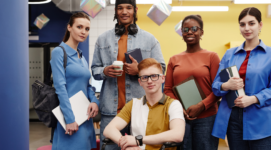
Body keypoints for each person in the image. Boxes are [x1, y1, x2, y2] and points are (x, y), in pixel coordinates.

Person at [91, 0, 165, 149]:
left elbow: (161, 69)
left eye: (128, 8)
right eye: (120, 8)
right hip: (110, 112)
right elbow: (95, 70)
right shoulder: (102, 39)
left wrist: (140, 71)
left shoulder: (149, 39)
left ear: (135, 10)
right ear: (116, 11)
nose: (124, 11)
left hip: (139, 109)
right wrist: (104, 71)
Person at [211, 7, 271, 150]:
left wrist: (253, 99)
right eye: (242, 24)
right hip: (233, 120)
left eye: (251, 23)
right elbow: (216, 85)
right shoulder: (229, 54)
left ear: (260, 25)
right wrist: (227, 85)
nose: (247, 28)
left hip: (261, 120)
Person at [164, 15, 220, 150]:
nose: (189, 32)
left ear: (201, 32)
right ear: (182, 33)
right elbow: (167, 89)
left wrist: (201, 106)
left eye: (194, 28)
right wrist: (180, 110)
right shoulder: (173, 59)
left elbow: (218, 90)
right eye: (185, 29)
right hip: (181, 118)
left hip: (207, 118)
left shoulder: (212, 57)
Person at [103, 58, 185, 150]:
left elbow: (178, 134)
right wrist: (128, 145)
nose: (149, 81)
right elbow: (109, 129)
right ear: (140, 82)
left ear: (162, 78)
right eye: (145, 77)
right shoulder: (133, 104)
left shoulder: (173, 104)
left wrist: (139, 140)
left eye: (154, 76)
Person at [50, 12, 100, 150]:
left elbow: (88, 85)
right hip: (69, 118)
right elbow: (60, 87)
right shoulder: (59, 52)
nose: (83, 32)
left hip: (85, 117)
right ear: (69, 27)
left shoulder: (81, 57)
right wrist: (70, 119)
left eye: (87, 29)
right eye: (79, 27)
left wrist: (95, 101)